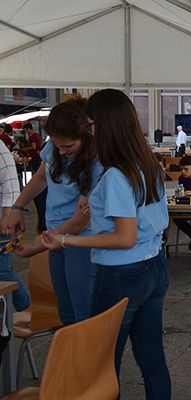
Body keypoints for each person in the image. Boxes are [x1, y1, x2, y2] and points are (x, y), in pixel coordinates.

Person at [40, 89, 171, 398]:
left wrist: (67, 240)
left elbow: (124, 237)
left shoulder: (116, 175)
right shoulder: (147, 164)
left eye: (90, 125)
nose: (88, 132)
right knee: (152, 358)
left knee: (100, 366)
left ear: (104, 126)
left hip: (120, 275)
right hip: (154, 265)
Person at [2, 97, 103, 324]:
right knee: (65, 313)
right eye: (57, 146)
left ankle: (83, 348)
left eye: (68, 146)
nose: (62, 151)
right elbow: (40, 177)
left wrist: (38, 246)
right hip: (56, 238)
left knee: (83, 315)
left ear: (87, 136)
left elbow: (81, 221)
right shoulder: (55, 148)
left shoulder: (97, 164)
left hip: (81, 242)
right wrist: (18, 207)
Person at [0, 135, 30, 312]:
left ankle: (24, 305)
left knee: (2, 270)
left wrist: (6, 216)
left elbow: (10, 180)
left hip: (3, 215)